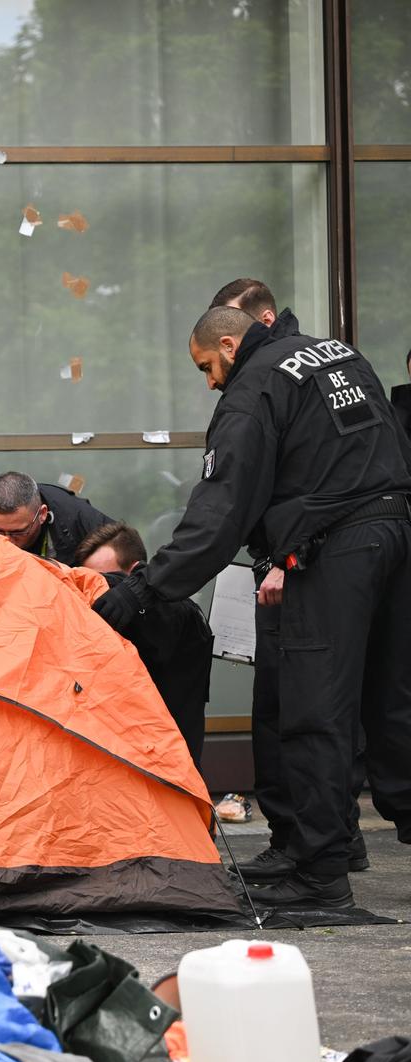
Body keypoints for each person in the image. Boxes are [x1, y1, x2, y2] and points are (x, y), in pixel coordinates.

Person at [95, 305, 411, 907]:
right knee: (394, 705)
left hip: (336, 553)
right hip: (397, 536)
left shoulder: (254, 388)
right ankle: (321, 846)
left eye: (207, 366)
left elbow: (219, 514)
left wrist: (143, 588)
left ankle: (320, 872)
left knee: (313, 706)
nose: (210, 381)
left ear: (230, 345)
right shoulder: (339, 355)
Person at [210, 279, 368, 883]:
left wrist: (285, 555)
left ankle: (313, 845)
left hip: (303, 561)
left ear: (262, 320)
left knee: (299, 709)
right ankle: (318, 840)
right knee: (299, 707)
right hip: (296, 555)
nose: (219, 371)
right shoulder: (319, 364)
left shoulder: (281, 372)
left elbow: (314, 477)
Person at [78, 522, 212, 766]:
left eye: (109, 581)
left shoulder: (176, 616)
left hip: (164, 766)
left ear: (137, 572)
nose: (100, 593)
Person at [0, 471, 114, 566]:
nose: (8, 541)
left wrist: (125, 593)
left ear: (42, 514)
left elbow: (126, 548)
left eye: (18, 532)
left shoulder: (74, 514)